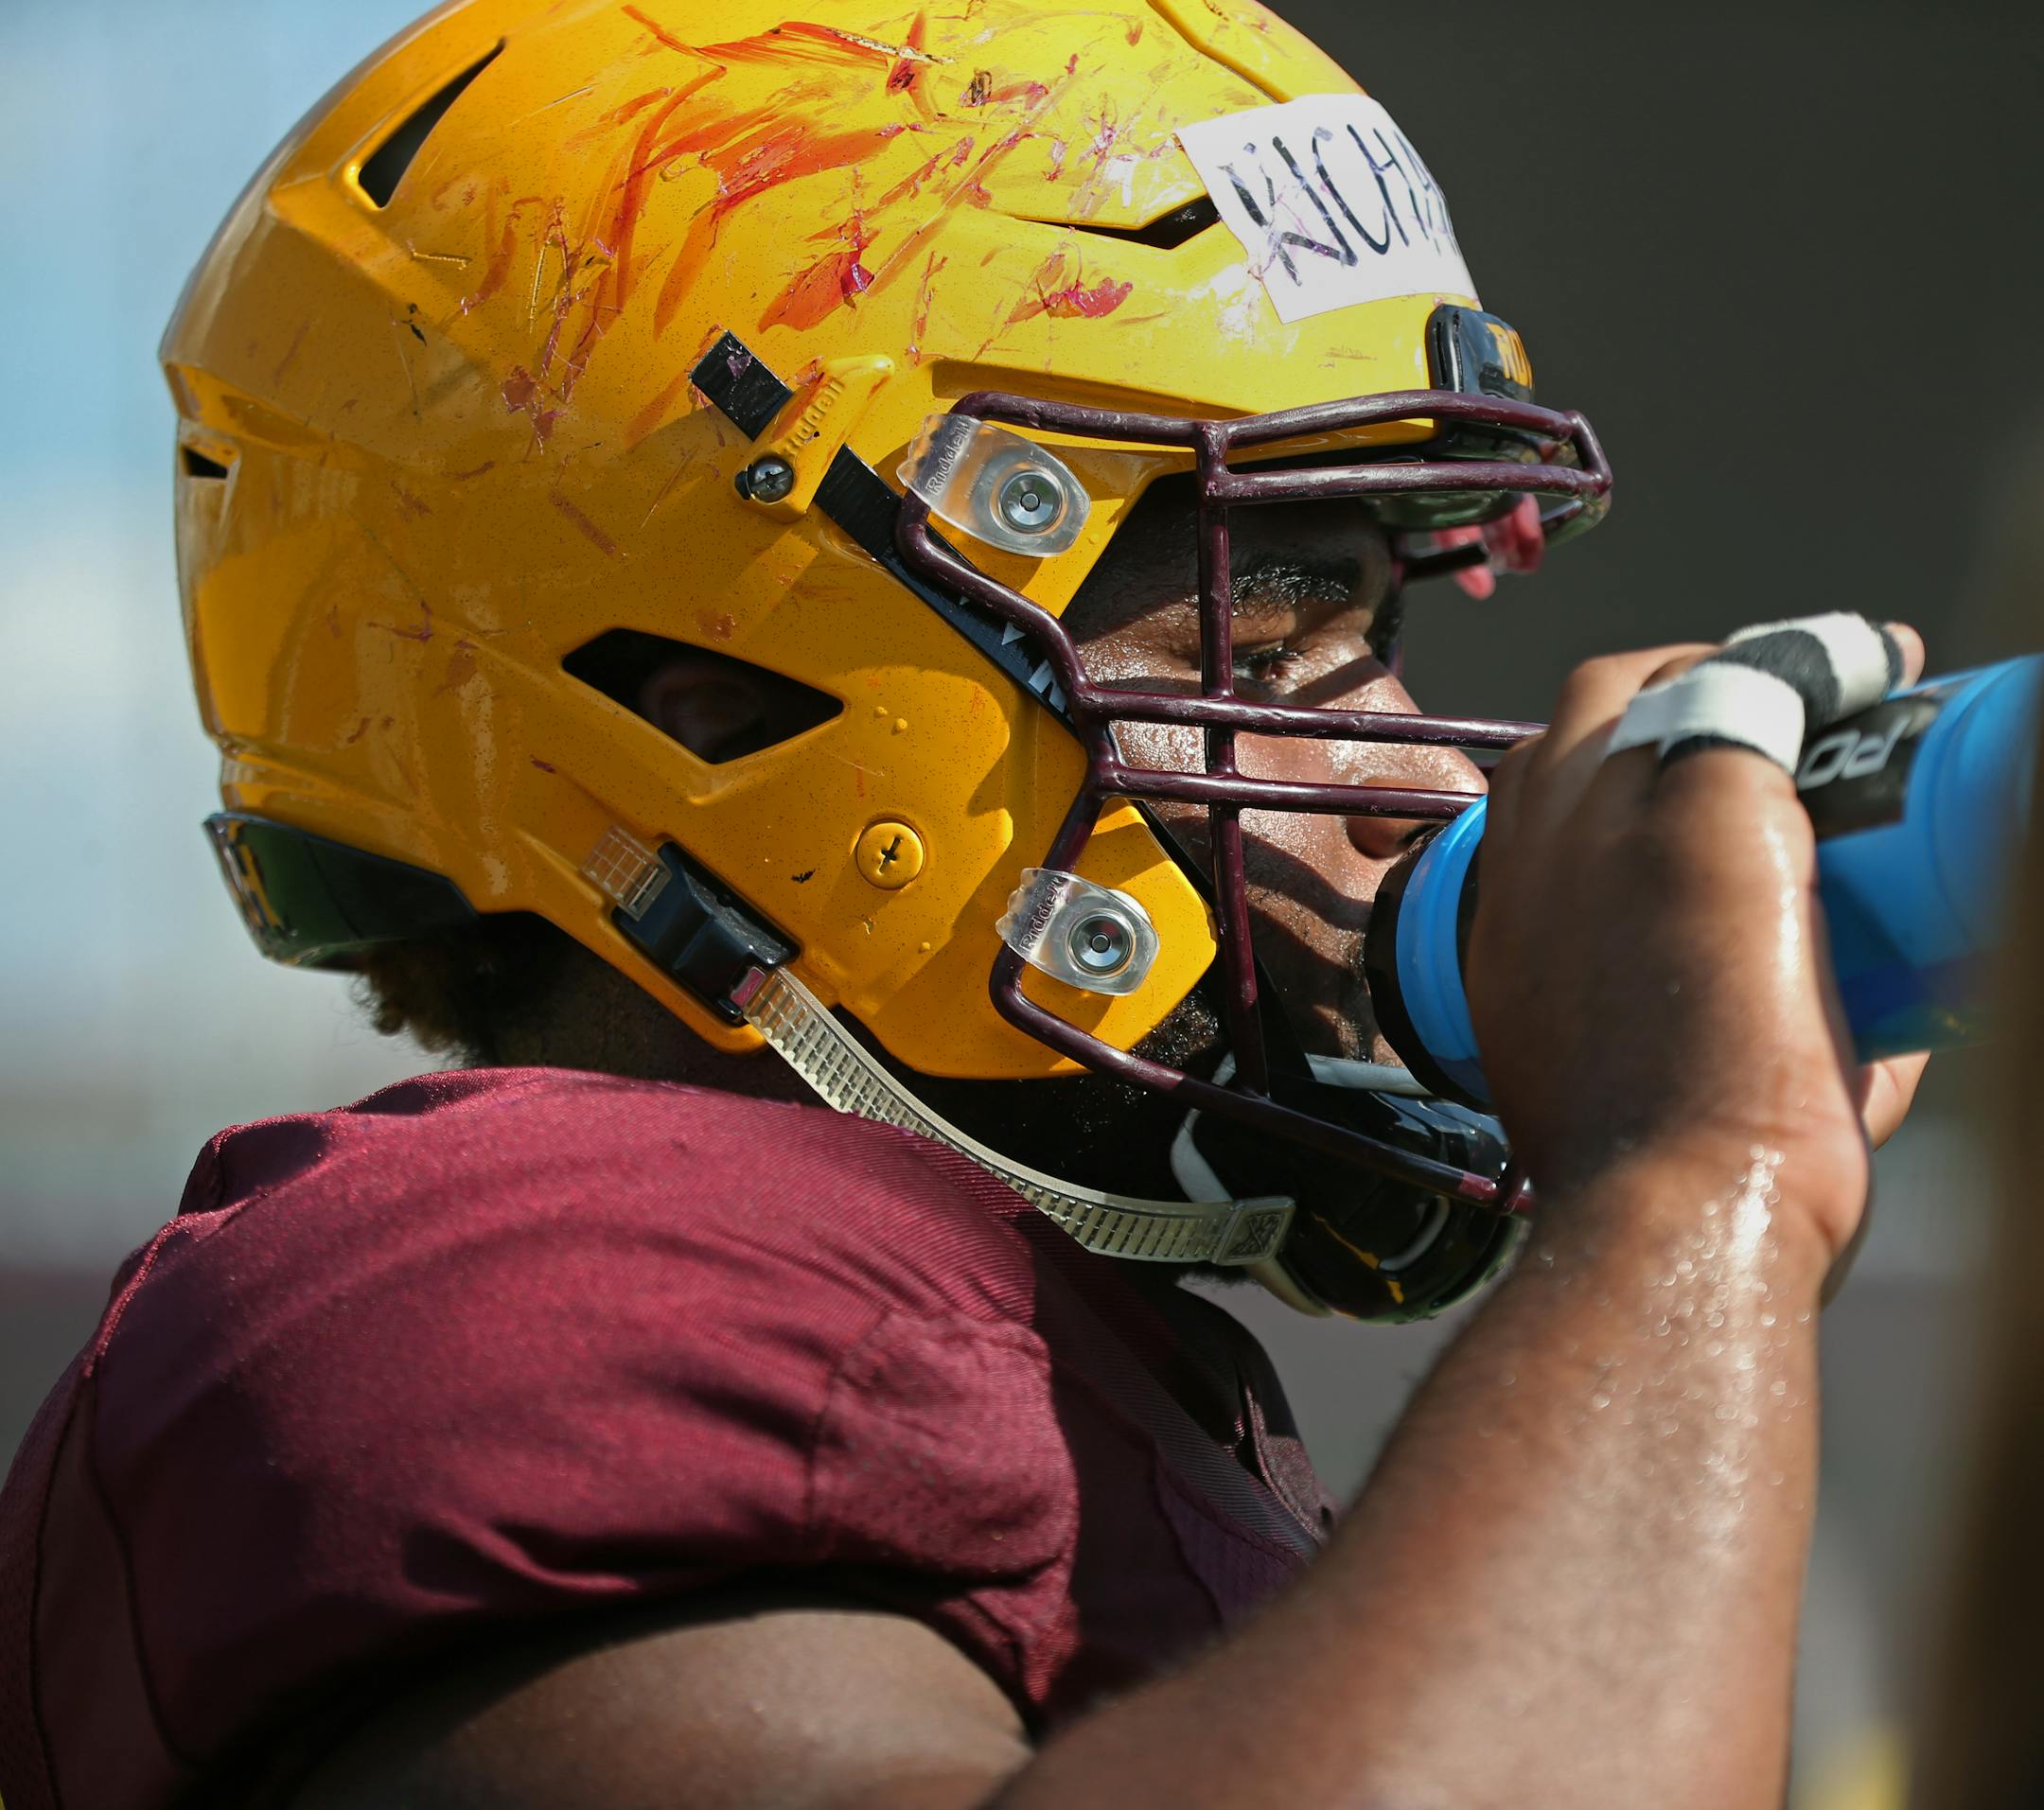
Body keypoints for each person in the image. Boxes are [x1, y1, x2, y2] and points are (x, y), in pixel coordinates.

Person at [0, 2, 1928, 1805]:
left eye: (1384, 636)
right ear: (722, 702)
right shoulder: (490, 1281)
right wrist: (1701, 1190)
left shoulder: (1049, 1332)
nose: (1419, 769)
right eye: (1278, 633)